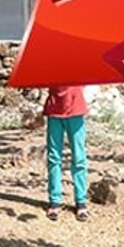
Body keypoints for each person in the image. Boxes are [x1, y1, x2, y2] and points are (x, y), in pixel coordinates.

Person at [43, 85, 89, 222]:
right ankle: (54, 201)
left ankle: (81, 201)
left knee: (79, 157)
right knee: (54, 157)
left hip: (75, 110)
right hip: (54, 111)